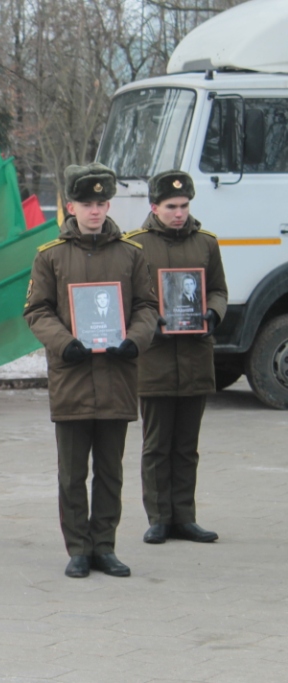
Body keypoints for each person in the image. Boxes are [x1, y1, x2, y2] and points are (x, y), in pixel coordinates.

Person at [24, 163, 158, 579]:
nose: (95, 210)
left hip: (117, 377)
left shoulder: (131, 253)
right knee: (72, 474)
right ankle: (79, 549)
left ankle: (105, 546)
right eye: (86, 204)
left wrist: (136, 339)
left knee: (111, 472)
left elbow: (147, 306)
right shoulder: (50, 256)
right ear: (71, 207)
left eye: (101, 203)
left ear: (108, 206)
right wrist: (65, 342)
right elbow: (37, 310)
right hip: (73, 378)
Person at [124, 170, 227, 545]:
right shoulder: (135, 245)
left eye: (184, 206)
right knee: (156, 445)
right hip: (155, 360)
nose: (179, 213)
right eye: (171, 206)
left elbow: (218, 290)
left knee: (186, 446)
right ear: (154, 207)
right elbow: (128, 299)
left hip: (195, 357)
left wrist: (212, 313)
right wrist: (149, 321)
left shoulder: (206, 243)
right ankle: (159, 517)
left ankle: (185, 516)